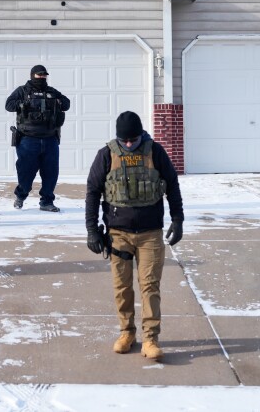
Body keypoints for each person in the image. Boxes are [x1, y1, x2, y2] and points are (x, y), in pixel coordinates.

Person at [84, 111, 184, 361]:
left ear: (141, 134)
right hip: (118, 234)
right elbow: (93, 191)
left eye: (133, 139)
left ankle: (150, 339)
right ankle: (126, 333)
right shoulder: (106, 154)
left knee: (149, 286)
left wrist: (178, 219)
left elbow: (172, 184)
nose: (129, 144)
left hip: (150, 234)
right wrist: (92, 229)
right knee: (122, 287)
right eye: (124, 140)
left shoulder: (155, 151)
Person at [5, 64, 70, 212]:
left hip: (50, 139)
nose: (41, 77)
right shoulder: (22, 91)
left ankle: (47, 201)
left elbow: (67, 104)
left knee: (51, 172)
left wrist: (57, 102)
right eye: (38, 75)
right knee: (26, 173)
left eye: (44, 75)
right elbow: (8, 105)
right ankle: (21, 196)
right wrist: (22, 104)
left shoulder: (51, 92)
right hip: (28, 139)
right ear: (32, 75)